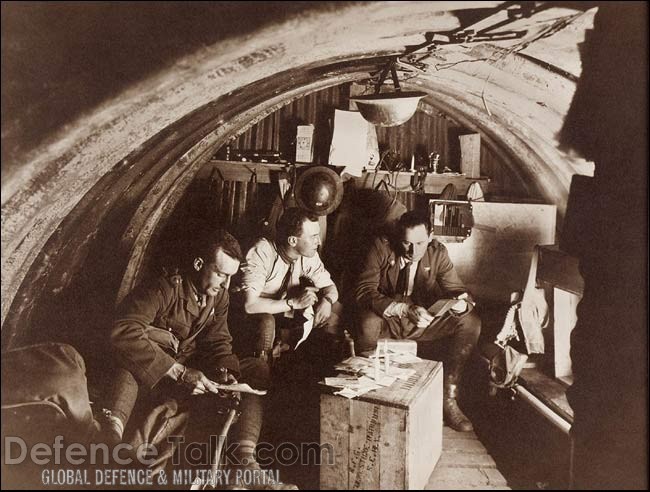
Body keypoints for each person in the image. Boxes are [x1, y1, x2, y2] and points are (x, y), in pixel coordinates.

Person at [101, 229, 297, 489]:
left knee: (256, 370)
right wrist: (179, 373)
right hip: (155, 370)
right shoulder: (163, 288)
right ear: (198, 264)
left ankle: (244, 462)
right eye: (220, 273)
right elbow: (122, 331)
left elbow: (217, 341)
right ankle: (110, 442)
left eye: (230, 276)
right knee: (127, 366)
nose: (226, 283)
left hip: (188, 367)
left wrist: (225, 372)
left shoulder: (219, 296)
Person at [355, 210, 481, 432]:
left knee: (470, 322)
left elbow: (458, 290)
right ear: (397, 237)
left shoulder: (437, 253)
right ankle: (370, 401)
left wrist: (461, 303)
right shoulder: (380, 247)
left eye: (420, 243)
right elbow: (364, 292)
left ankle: (449, 398)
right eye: (406, 243)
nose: (413, 251)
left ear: (431, 236)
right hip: (388, 319)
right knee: (367, 322)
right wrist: (403, 309)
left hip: (422, 321)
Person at [238, 207, 340, 360]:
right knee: (266, 322)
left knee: (332, 316)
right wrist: (294, 303)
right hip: (246, 314)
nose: (318, 242)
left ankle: (320, 376)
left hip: (282, 309)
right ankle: (262, 376)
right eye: (313, 237)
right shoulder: (262, 251)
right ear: (292, 240)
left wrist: (327, 300)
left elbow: (330, 287)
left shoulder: (307, 253)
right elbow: (249, 305)